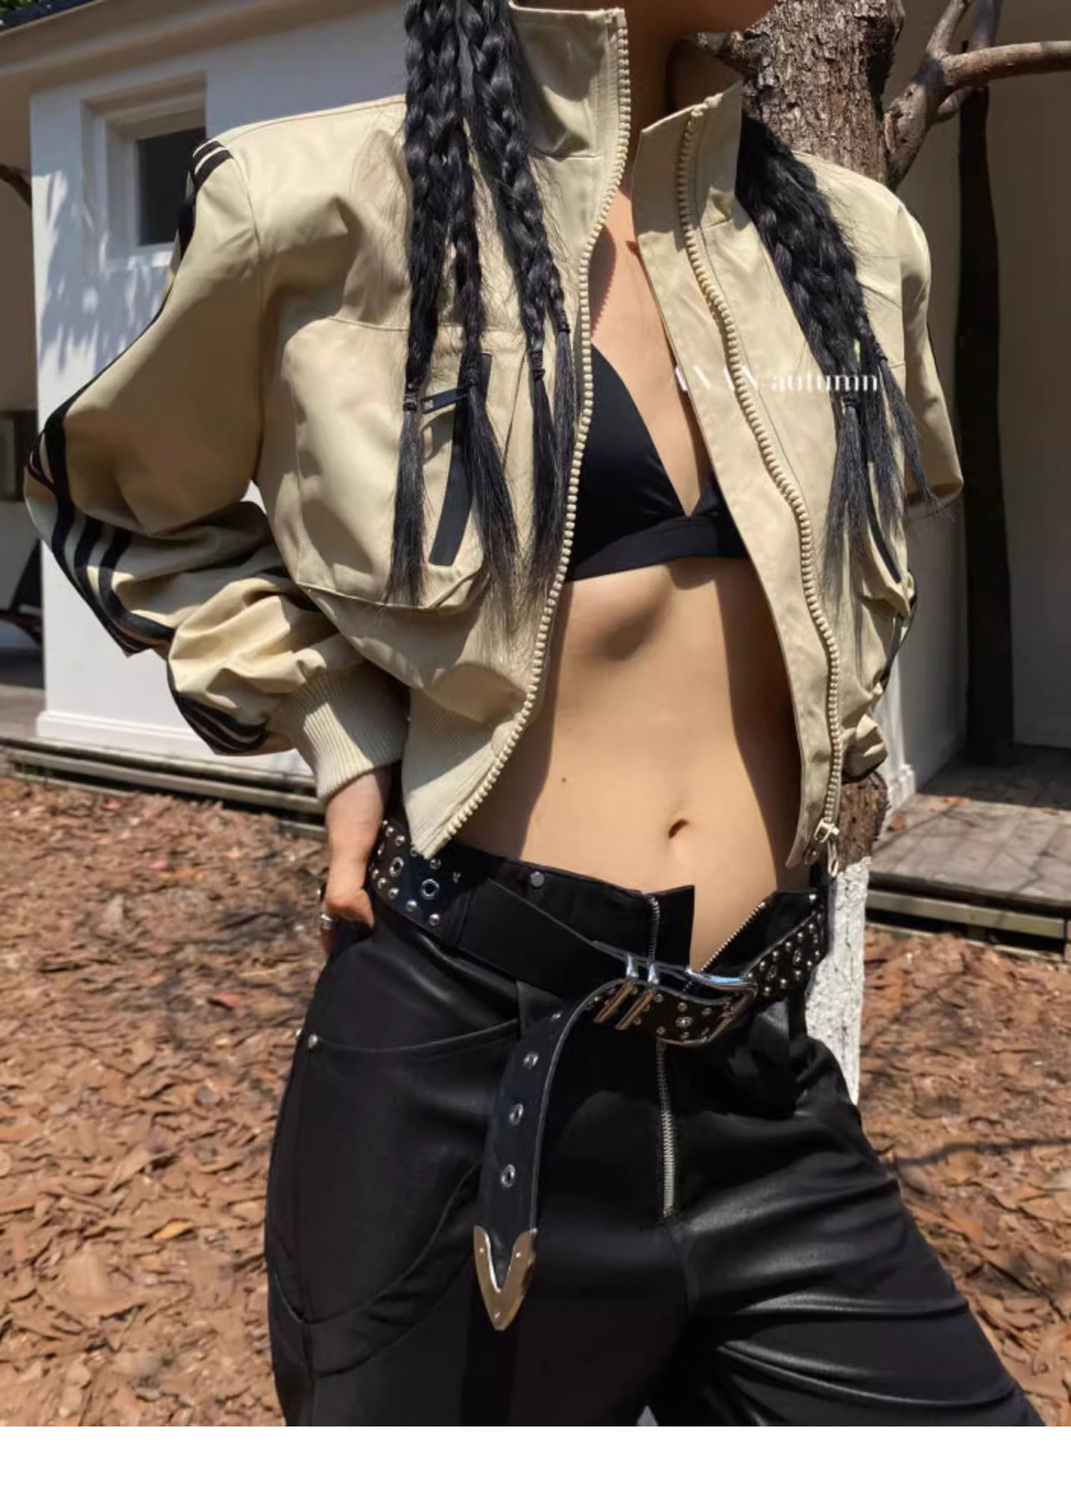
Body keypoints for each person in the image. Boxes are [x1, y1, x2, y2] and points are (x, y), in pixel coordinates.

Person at [24, 0, 1042, 1426]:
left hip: (762, 1074)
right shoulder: (322, 206)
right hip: (468, 1071)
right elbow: (121, 498)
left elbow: (872, 542)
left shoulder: (857, 245)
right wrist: (336, 728)